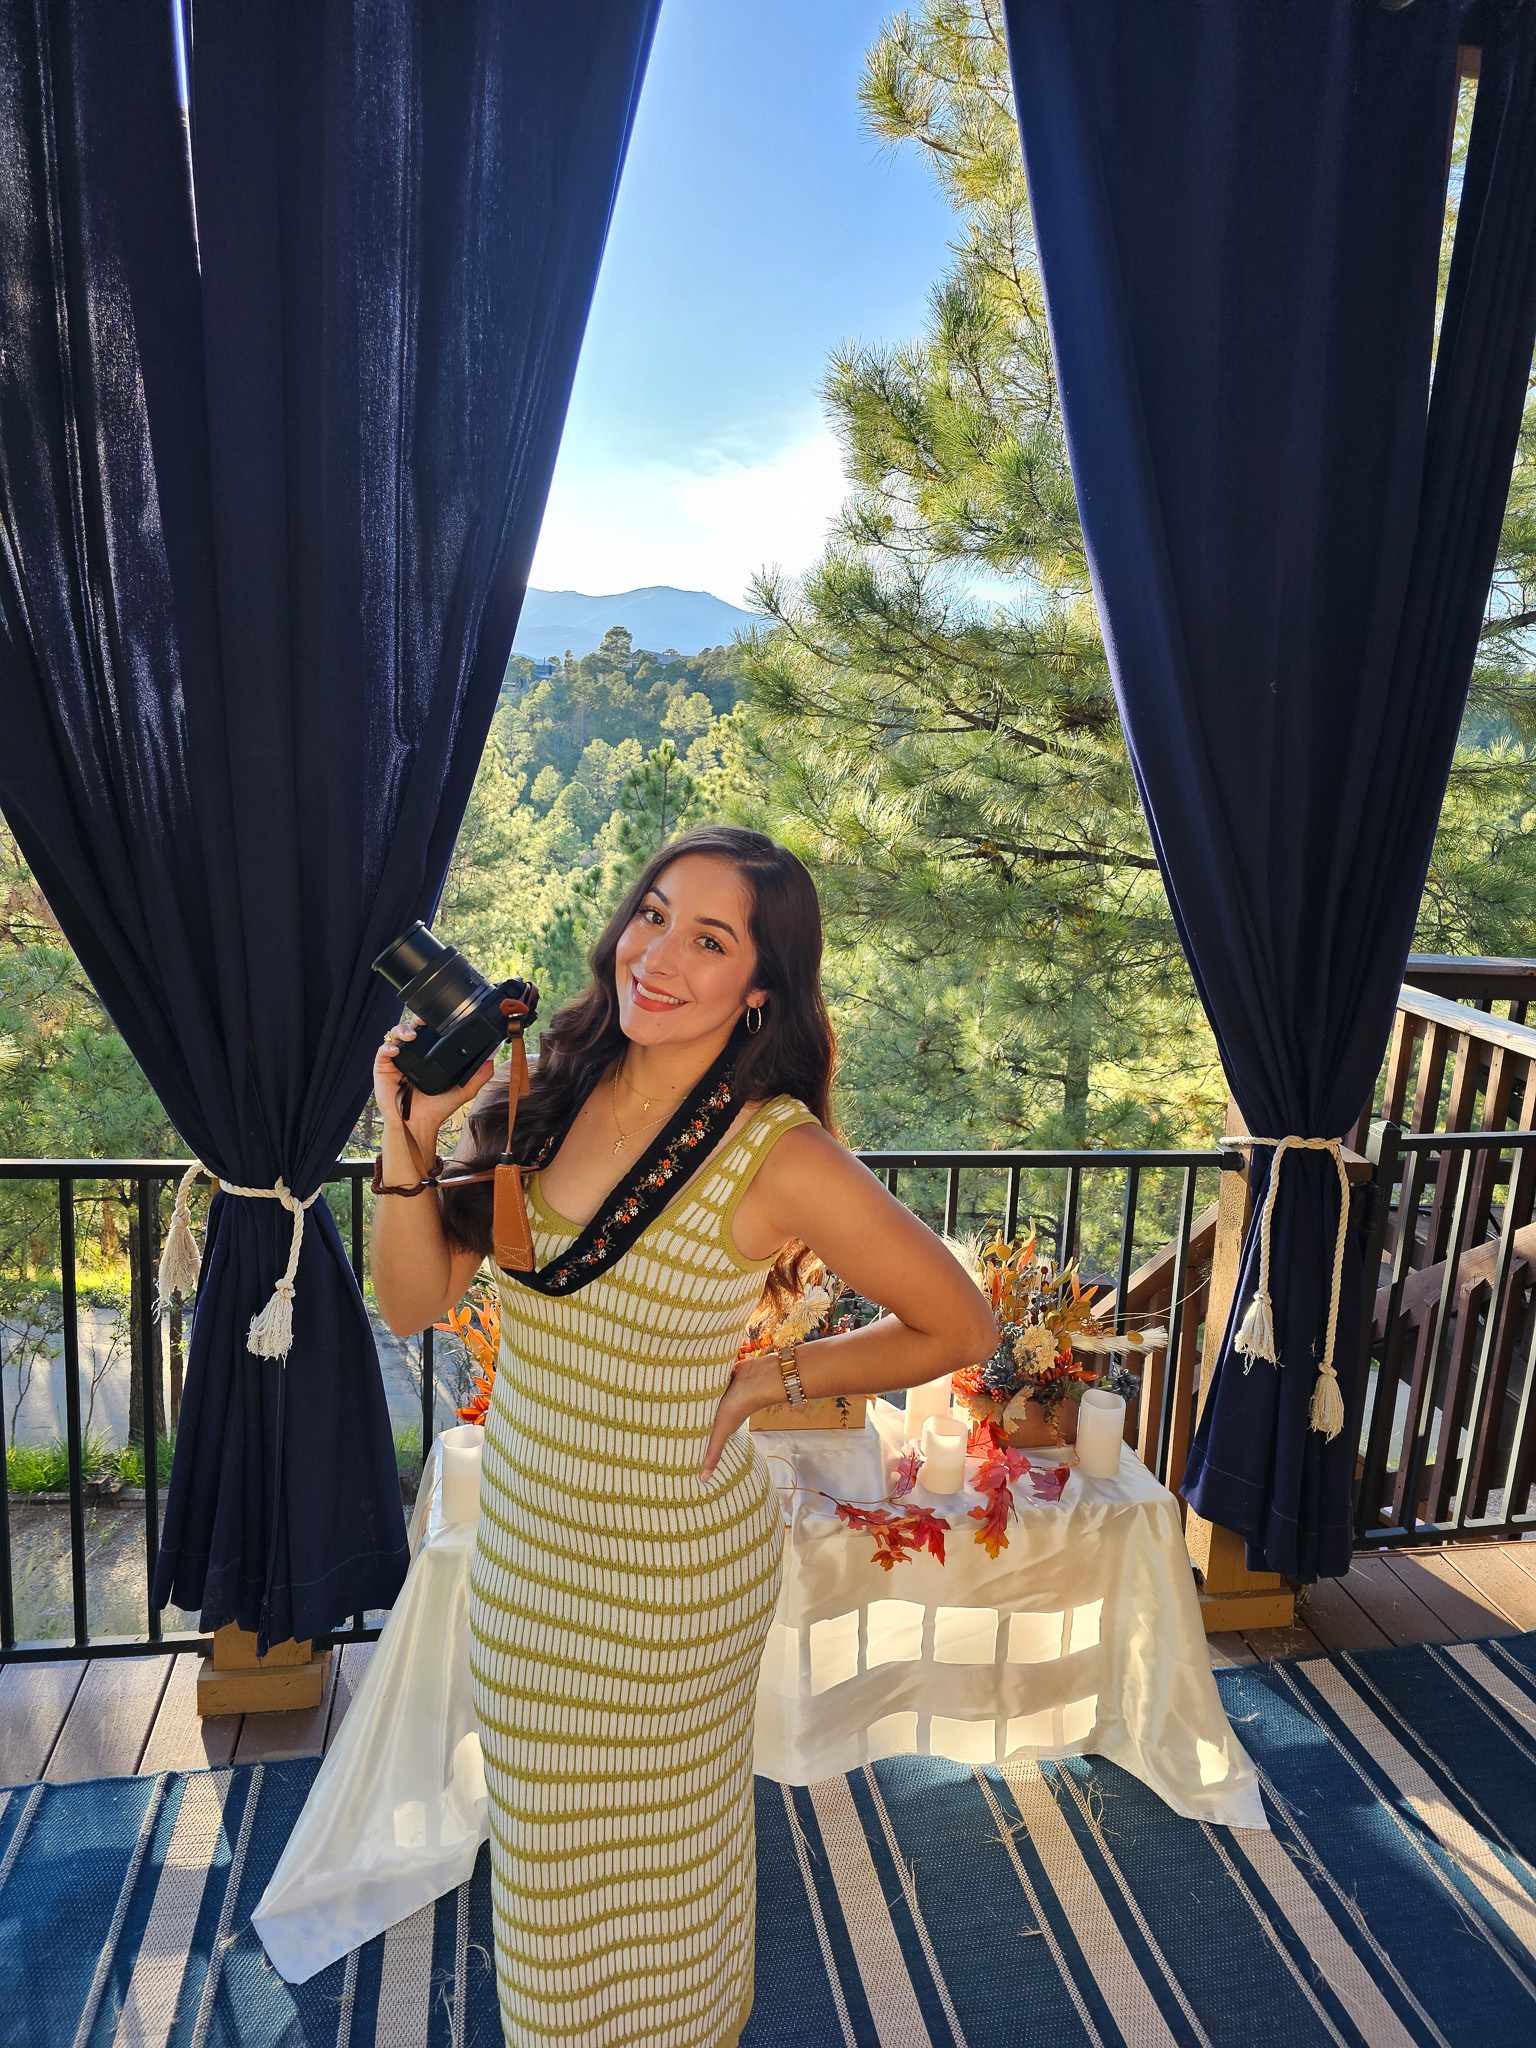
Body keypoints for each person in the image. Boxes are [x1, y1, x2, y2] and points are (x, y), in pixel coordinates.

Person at [369, 823, 998, 2048]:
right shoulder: (542, 1089)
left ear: (760, 986)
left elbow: (958, 1319)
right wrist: (409, 1133)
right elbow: (410, 1300)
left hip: (671, 1577)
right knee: (546, 1873)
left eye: (709, 939)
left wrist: (770, 1376)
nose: (657, 956)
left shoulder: (777, 1152)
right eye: (652, 914)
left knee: (665, 1868)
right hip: (526, 1560)